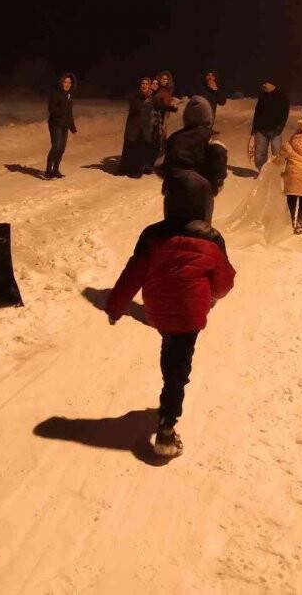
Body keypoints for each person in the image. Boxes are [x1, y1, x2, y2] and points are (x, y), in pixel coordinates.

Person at [105, 178, 236, 458]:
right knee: (178, 365)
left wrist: (116, 305)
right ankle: (166, 427)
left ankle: (171, 378)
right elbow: (224, 281)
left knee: (172, 345)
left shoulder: (152, 234)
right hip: (190, 311)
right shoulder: (212, 237)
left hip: (158, 310)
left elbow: (133, 273)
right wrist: (212, 294)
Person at [163, 96, 227, 222]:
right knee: (199, 232)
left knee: (172, 229)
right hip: (200, 193)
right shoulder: (210, 138)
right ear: (208, 117)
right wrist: (216, 184)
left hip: (174, 192)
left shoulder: (174, 138)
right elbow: (218, 158)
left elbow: (165, 165)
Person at [249, 81, 290, 175]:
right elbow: (257, 112)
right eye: (262, 84)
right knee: (259, 153)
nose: (263, 86)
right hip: (261, 130)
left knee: (277, 153)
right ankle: (261, 172)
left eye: (265, 84)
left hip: (276, 130)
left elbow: (285, 112)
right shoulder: (262, 95)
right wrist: (254, 129)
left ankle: (276, 173)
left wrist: (280, 127)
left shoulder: (281, 95)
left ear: (272, 84)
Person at [119, 76, 156, 179]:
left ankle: (137, 171)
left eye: (146, 84)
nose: (144, 85)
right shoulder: (135, 96)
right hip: (134, 127)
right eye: (142, 84)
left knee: (140, 150)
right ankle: (127, 169)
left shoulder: (152, 98)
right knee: (131, 149)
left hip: (144, 128)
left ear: (149, 86)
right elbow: (135, 106)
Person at [46, 72, 78, 179]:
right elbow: (51, 109)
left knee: (62, 148)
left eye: (69, 82)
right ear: (62, 82)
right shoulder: (56, 93)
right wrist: (60, 115)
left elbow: (70, 112)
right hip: (55, 124)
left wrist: (72, 127)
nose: (67, 84)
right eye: (65, 82)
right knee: (56, 147)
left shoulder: (70, 95)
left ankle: (55, 170)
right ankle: (48, 171)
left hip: (64, 125)